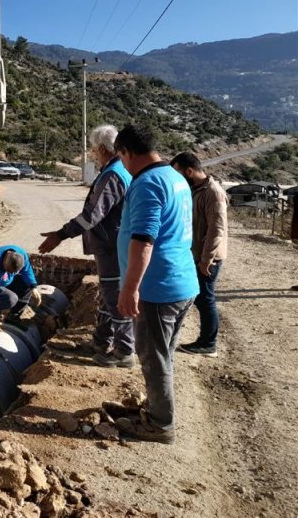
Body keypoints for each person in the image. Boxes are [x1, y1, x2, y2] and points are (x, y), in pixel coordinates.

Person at [112, 124, 199, 444]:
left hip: (157, 288)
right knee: (163, 353)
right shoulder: (175, 178)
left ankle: (161, 424)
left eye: (120, 157)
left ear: (127, 152)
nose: (121, 163)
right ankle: (154, 407)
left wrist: (130, 287)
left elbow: (144, 240)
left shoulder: (147, 183)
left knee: (153, 356)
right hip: (180, 282)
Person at [38, 125, 133, 367]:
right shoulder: (117, 170)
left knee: (115, 298)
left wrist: (61, 234)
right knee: (107, 297)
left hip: (113, 247)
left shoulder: (113, 174)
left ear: (102, 148)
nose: (93, 154)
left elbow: (92, 216)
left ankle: (124, 351)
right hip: (111, 246)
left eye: (93, 150)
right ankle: (102, 341)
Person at [170, 152, 228, 357]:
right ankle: (206, 341)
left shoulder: (213, 192)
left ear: (189, 171)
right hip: (197, 254)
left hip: (209, 257)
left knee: (205, 298)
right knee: (201, 298)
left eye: (178, 173)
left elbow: (216, 229)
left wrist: (206, 259)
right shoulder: (196, 190)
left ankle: (208, 343)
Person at [0, 245, 41, 330]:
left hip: (3, 282)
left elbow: (27, 271)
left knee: (28, 284)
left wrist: (33, 286)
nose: (11, 273)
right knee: (11, 299)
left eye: (13, 272)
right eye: (7, 270)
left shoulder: (21, 254)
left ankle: (13, 317)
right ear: (5, 260)